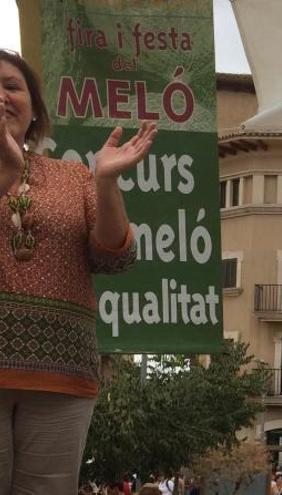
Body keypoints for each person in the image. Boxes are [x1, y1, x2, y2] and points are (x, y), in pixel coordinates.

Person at [0, 49, 154, 494]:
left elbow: (115, 257)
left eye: (12, 86)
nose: (2, 97)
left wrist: (104, 182)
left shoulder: (73, 178)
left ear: (34, 110)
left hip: (62, 371)